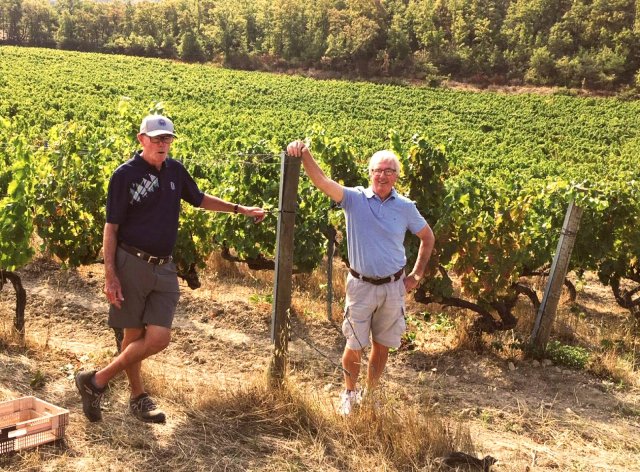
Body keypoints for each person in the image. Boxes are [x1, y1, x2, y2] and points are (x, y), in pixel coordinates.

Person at [76, 115, 266, 423]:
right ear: (142, 139)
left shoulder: (175, 170)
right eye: (157, 139)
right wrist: (110, 275)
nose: (163, 144)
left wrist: (239, 209)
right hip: (131, 263)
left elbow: (199, 198)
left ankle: (96, 380)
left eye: (167, 139)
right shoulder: (124, 175)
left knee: (159, 337)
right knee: (133, 332)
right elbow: (111, 228)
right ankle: (137, 398)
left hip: (164, 266)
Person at [286, 140, 435, 415]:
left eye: (389, 171)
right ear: (369, 173)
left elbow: (427, 237)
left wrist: (415, 275)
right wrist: (304, 152)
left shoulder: (405, 207)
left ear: (397, 176)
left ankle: (371, 394)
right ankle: (350, 393)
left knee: (382, 345)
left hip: (393, 288)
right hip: (361, 287)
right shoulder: (353, 198)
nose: (383, 175)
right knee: (354, 344)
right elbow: (321, 181)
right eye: (378, 170)